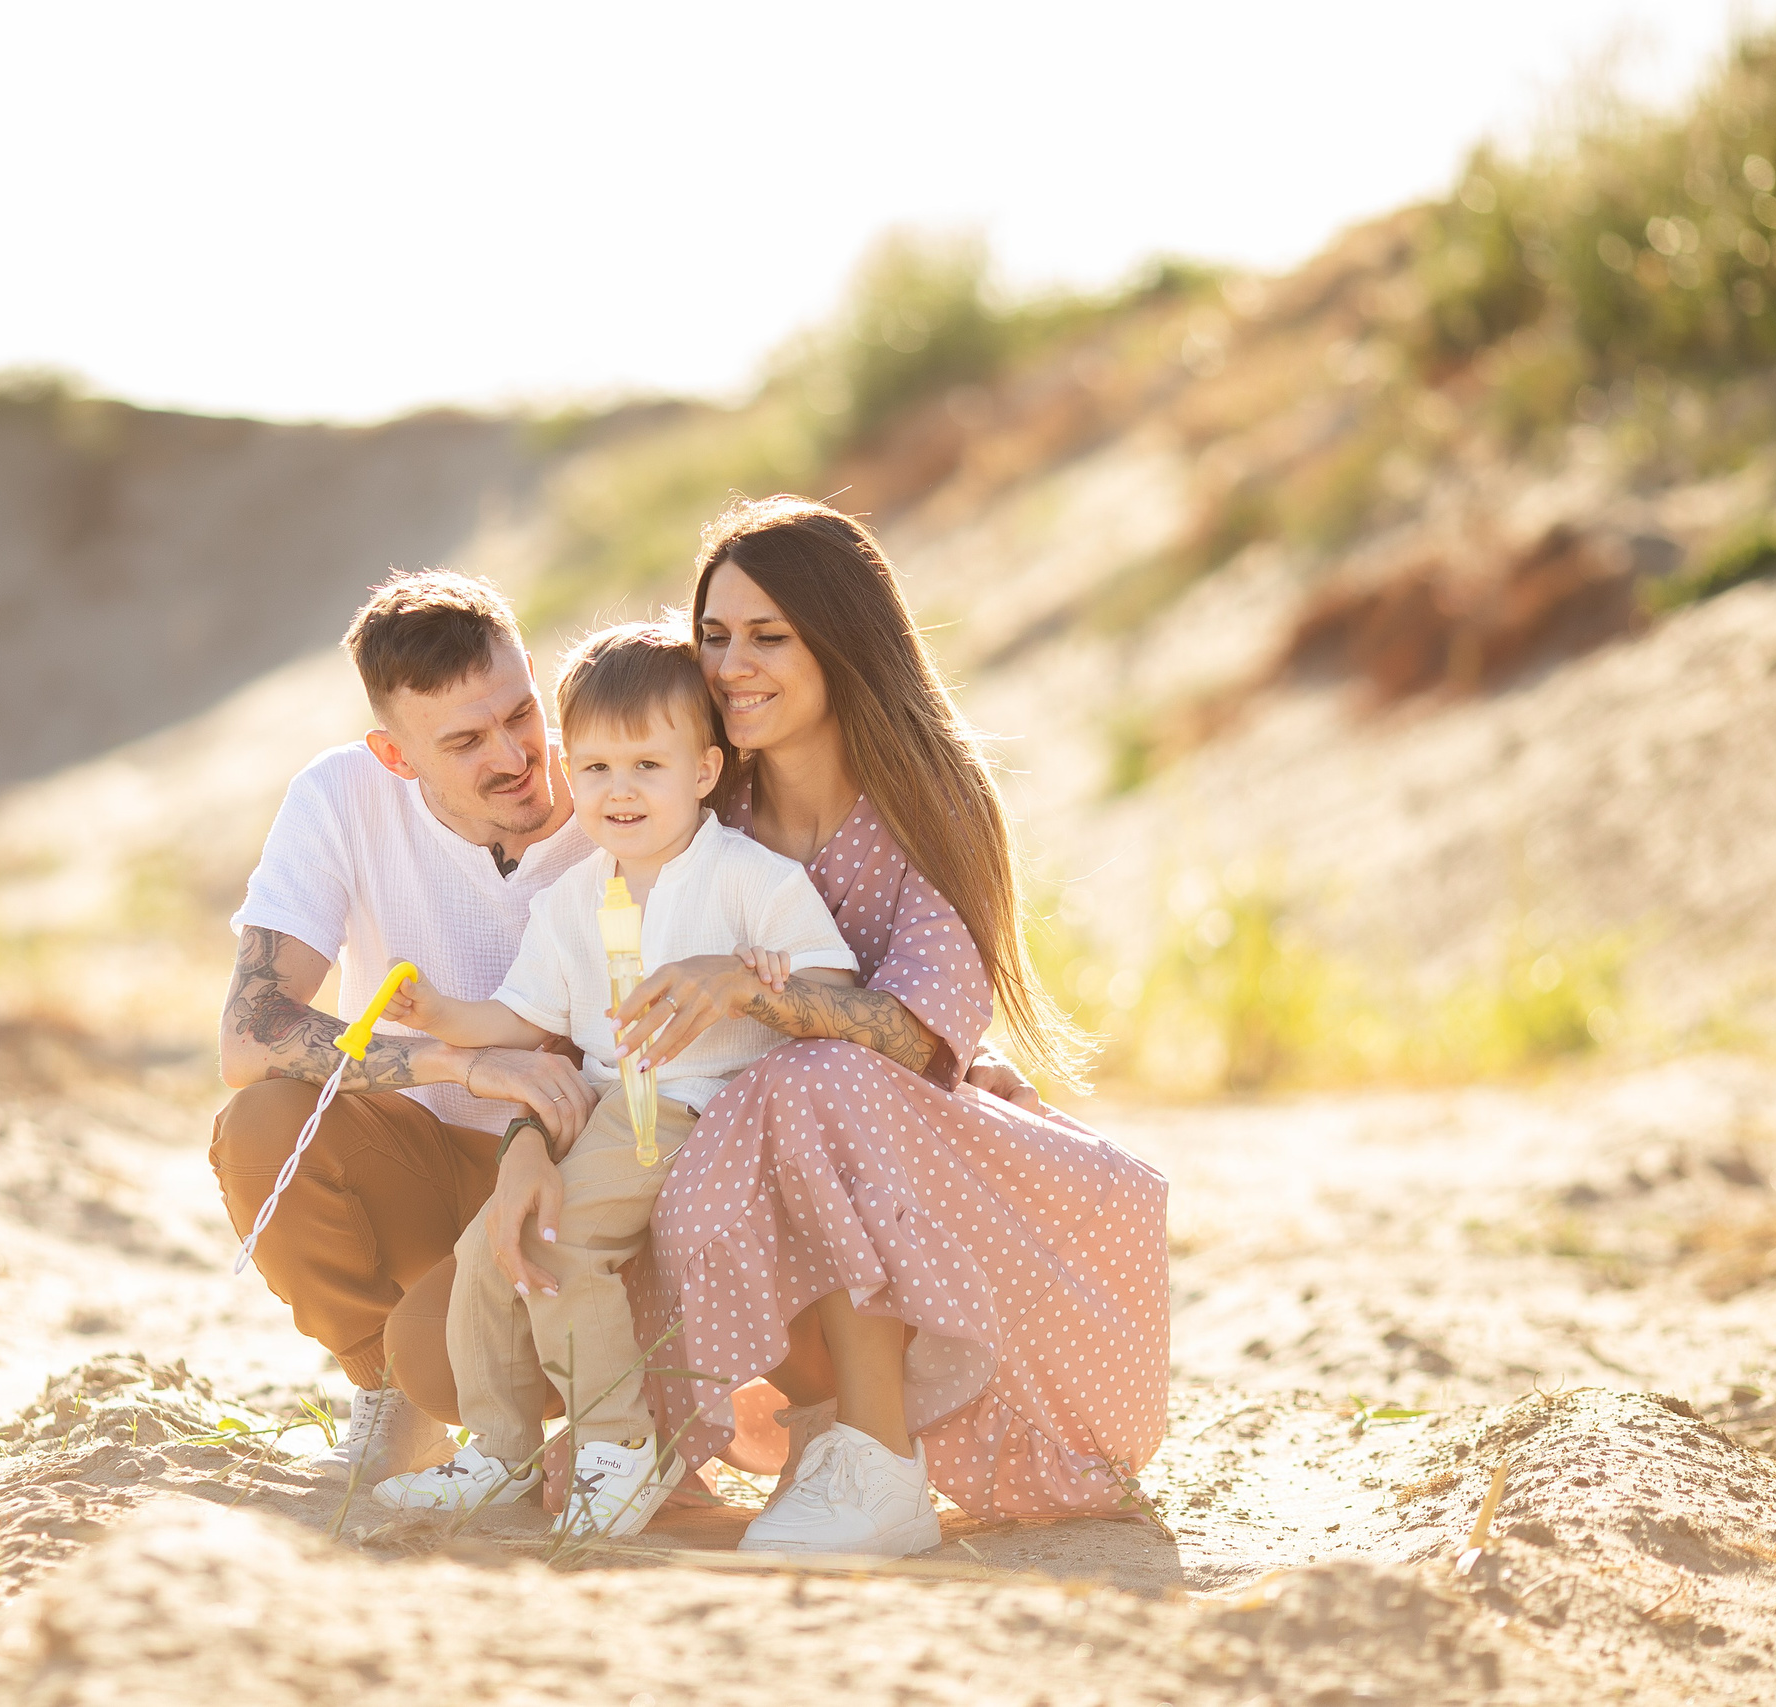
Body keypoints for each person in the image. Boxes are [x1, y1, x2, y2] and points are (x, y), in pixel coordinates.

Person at [621, 496, 1172, 1556]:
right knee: (709, 1138)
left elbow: (922, 1037)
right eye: (715, 635)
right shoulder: (703, 813)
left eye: (768, 637)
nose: (731, 664)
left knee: (819, 1082)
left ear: (839, 641)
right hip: (750, 1170)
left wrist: (744, 984)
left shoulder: (927, 800)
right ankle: (835, 1443)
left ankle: (880, 1465)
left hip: (910, 1162)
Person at [367, 623, 858, 1539]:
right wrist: (437, 1013)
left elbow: (836, 992)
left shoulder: (751, 878)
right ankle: (500, 1445)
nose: (617, 790)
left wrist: (756, 977)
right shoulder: (573, 898)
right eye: (592, 768)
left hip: (695, 1109)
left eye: (646, 765)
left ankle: (617, 1449)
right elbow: (522, 1018)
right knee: (493, 1244)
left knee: (556, 1243)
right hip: (602, 1108)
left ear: (705, 770)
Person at [211, 569, 602, 1482]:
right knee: (262, 1123)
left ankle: (611, 1402)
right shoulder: (342, 795)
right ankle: (388, 1396)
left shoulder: (621, 770)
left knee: (446, 1355)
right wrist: (463, 1065)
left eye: (520, 712)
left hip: (582, 1170)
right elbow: (249, 1032)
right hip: (429, 1159)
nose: (514, 756)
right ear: (396, 755)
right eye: (464, 740)